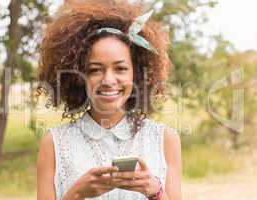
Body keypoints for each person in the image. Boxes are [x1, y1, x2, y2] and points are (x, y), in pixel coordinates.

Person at [36, 0, 181, 199]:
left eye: (120, 68)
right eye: (95, 70)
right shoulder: (54, 144)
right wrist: (77, 194)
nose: (108, 80)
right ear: (79, 76)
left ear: (136, 74)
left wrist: (155, 191)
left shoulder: (165, 139)